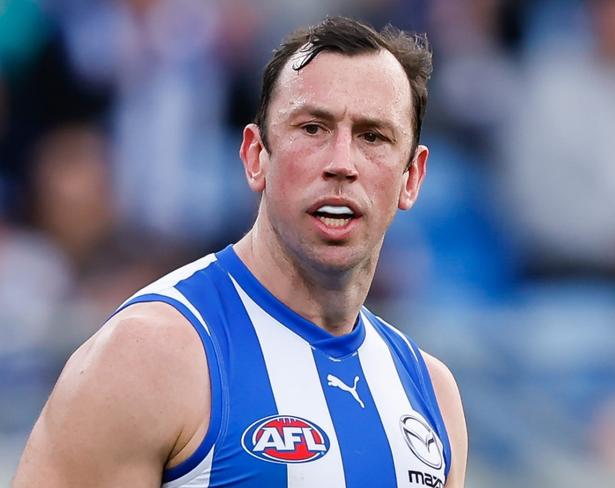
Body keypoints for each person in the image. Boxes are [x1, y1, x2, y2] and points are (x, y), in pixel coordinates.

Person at [13, 16, 467, 488]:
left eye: (373, 136)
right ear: (255, 156)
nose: (341, 164)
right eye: (312, 128)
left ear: (411, 177)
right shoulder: (147, 356)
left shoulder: (431, 393)